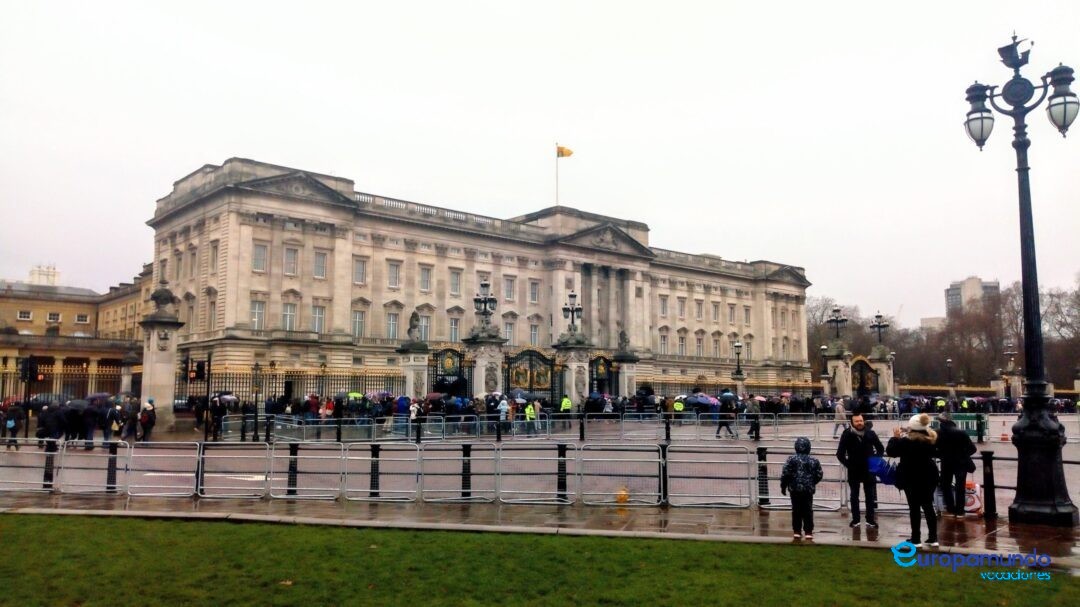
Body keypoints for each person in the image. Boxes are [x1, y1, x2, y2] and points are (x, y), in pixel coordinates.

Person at [887, 413, 940, 547]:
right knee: (928, 506)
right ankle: (933, 538)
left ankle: (916, 539)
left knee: (914, 508)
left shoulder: (906, 442)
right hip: (929, 475)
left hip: (911, 476)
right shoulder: (931, 440)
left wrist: (895, 438)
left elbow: (891, 452)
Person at [836, 412, 884, 528]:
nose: (859, 423)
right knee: (854, 495)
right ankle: (856, 519)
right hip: (854, 470)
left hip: (869, 470)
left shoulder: (870, 433)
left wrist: (875, 461)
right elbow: (840, 454)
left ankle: (870, 520)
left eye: (861, 421)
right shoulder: (847, 434)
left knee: (870, 495)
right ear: (852, 423)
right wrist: (849, 464)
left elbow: (880, 449)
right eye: (856, 421)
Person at [781, 437, 824, 540]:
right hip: (808, 489)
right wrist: (812, 482)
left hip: (794, 488)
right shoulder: (814, 460)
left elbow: (786, 473)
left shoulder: (791, 459)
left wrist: (783, 486)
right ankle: (808, 531)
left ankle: (797, 531)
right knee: (808, 509)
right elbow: (819, 474)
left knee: (796, 509)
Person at [935, 412, 977, 518]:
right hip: (961, 463)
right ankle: (960, 510)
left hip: (946, 463)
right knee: (960, 486)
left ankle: (950, 508)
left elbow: (933, 450)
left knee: (946, 485)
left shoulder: (938, 433)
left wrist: (942, 455)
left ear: (940, 422)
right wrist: (962, 455)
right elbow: (973, 449)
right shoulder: (961, 432)